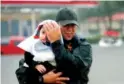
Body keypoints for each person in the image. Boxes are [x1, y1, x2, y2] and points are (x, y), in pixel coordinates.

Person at [43, 8, 92, 84]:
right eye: (66, 25)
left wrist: (56, 43)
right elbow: (23, 72)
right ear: (56, 25)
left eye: (73, 26)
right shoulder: (43, 44)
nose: (70, 29)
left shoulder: (83, 45)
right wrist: (42, 79)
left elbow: (76, 67)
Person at [16, 20, 69, 84]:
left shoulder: (59, 48)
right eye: (43, 32)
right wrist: (36, 66)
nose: (45, 36)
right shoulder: (34, 46)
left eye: (49, 34)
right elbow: (28, 62)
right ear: (38, 32)